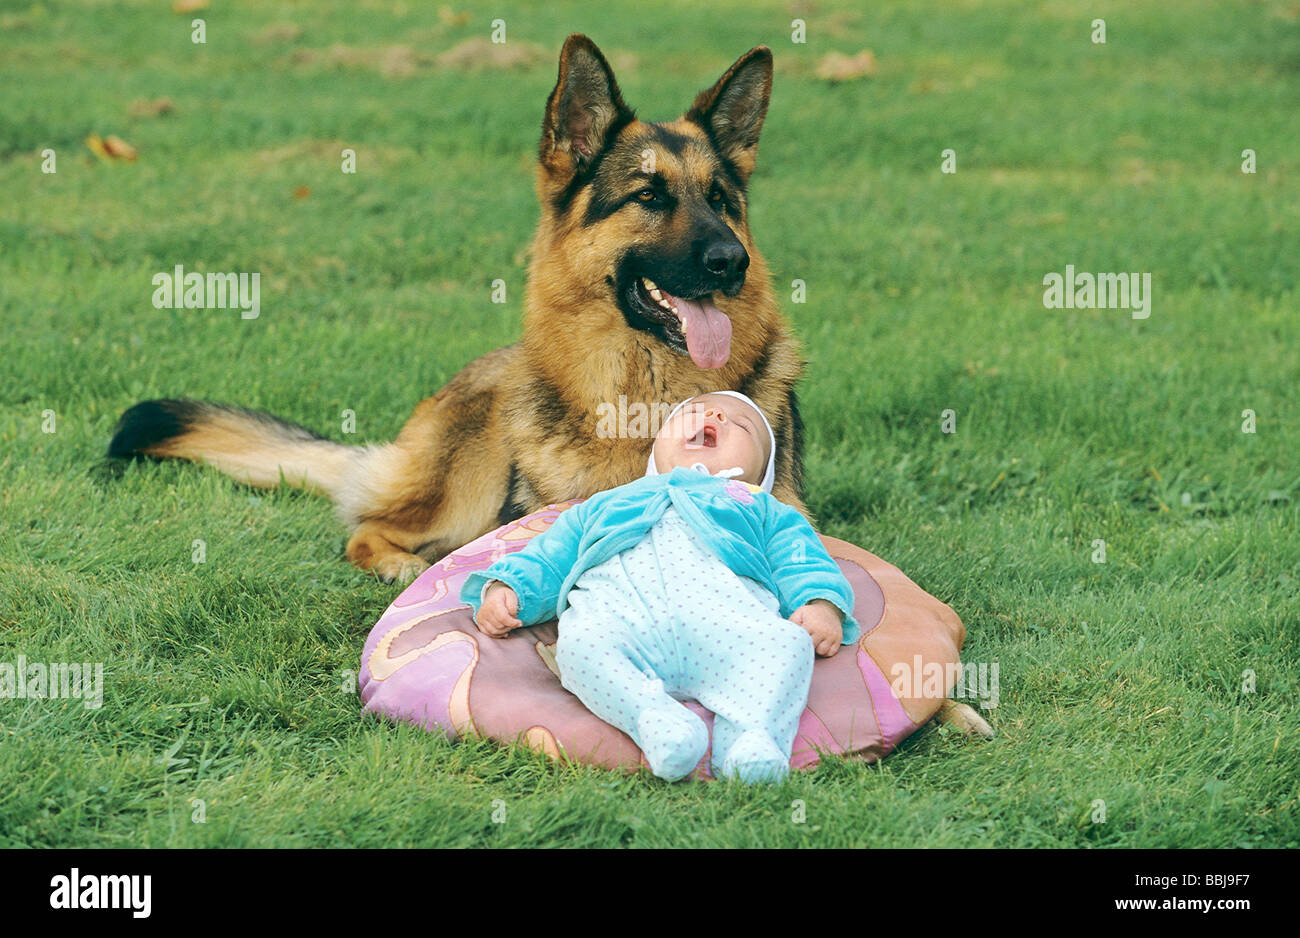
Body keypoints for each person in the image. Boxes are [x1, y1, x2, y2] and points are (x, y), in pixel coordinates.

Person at [459, 391, 857, 783]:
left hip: (730, 630)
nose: (716, 418)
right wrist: (510, 589)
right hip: (623, 625)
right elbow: (551, 555)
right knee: (580, 646)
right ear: (657, 444)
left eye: (742, 425)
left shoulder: (759, 506)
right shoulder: (606, 503)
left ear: (761, 473)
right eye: (697, 412)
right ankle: (654, 719)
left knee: (787, 646)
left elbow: (801, 557)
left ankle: (752, 737)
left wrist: (820, 602)